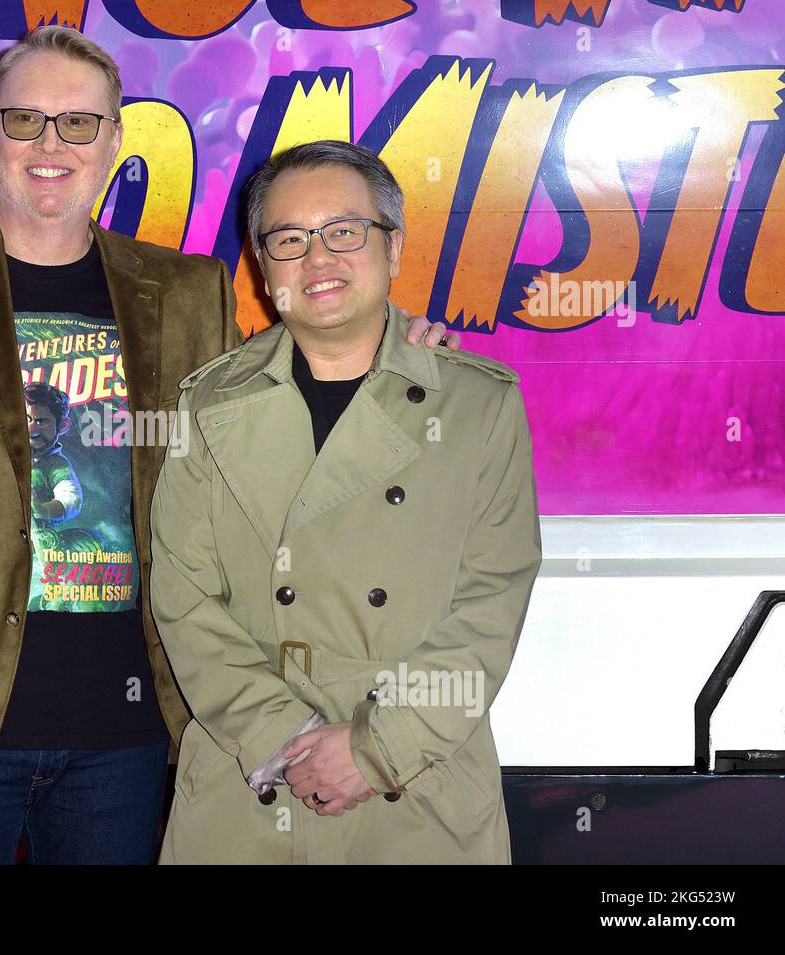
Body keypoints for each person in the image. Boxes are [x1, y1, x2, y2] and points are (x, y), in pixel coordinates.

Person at [0, 27, 457, 865]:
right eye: (26, 119)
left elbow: (278, 408)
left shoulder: (186, 293)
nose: (51, 145)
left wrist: (390, 355)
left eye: (78, 123)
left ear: (114, 141)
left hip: (132, 731)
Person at [150, 140, 542, 864]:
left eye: (345, 232)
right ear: (264, 270)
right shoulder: (207, 403)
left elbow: (491, 604)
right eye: (290, 240)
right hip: (254, 781)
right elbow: (183, 596)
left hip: (415, 782)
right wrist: (281, 736)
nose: (318, 258)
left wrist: (377, 748)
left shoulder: (477, 404)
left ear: (392, 249)